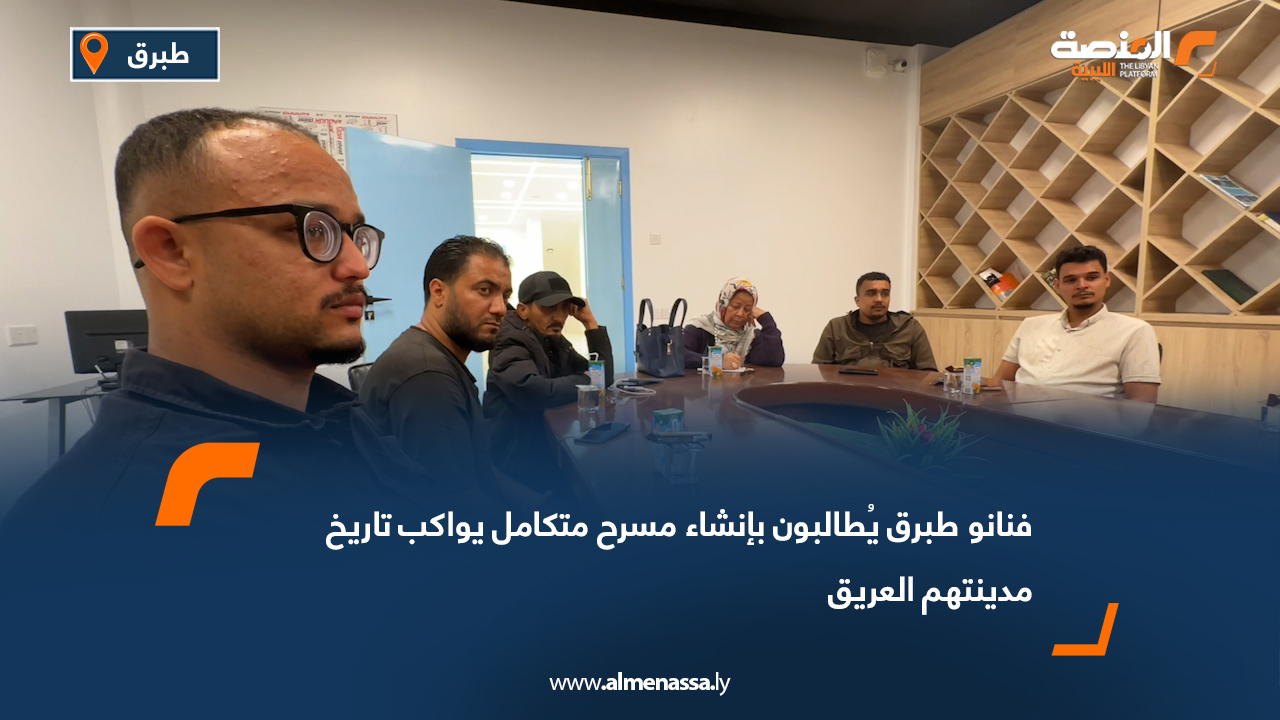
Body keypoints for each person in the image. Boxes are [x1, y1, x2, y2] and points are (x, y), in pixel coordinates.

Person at [2, 108, 433, 542]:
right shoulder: (96, 529)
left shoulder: (338, 418)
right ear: (171, 252)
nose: (358, 266)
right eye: (314, 230)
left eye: (354, 234)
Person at [359, 236, 545, 508]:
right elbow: (458, 509)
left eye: (505, 296)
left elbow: (480, 470)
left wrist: (542, 506)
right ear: (438, 292)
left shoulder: (433, 357)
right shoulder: (427, 376)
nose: (500, 309)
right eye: (484, 290)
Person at [484, 271, 614, 494]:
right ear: (523, 310)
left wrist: (590, 323)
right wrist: (588, 381)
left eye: (564, 308)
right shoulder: (509, 338)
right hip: (516, 461)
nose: (558, 317)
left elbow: (604, 377)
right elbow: (536, 393)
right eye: (549, 308)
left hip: (544, 444)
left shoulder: (551, 337)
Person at [995, 245, 1160, 402]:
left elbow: (1142, 403)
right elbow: (1000, 383)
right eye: (1071, 280)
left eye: (1092, 278)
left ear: (1107, 280)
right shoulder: (1031, 325)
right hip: (1015, 415)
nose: (1082, 285)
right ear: (1058, 286)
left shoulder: (1134, 331)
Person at [812, 272, 936, 371]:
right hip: (848, 392)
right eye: (871, 294)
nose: (879, 299)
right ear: (857, 300)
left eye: (885, 294)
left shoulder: (910, 328)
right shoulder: (837, 328)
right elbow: (818, 371)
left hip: (895, 393)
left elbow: (928, 374)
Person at [683, 277, 785, 369]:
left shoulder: (751, 336)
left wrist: (767, 321)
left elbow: (773, 361)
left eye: (747, 309)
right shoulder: (700, 327)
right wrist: (717, 361)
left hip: (741, 385)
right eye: (736, 306)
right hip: (701, 384)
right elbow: (679, 355)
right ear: (723, 305)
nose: (740, 314)